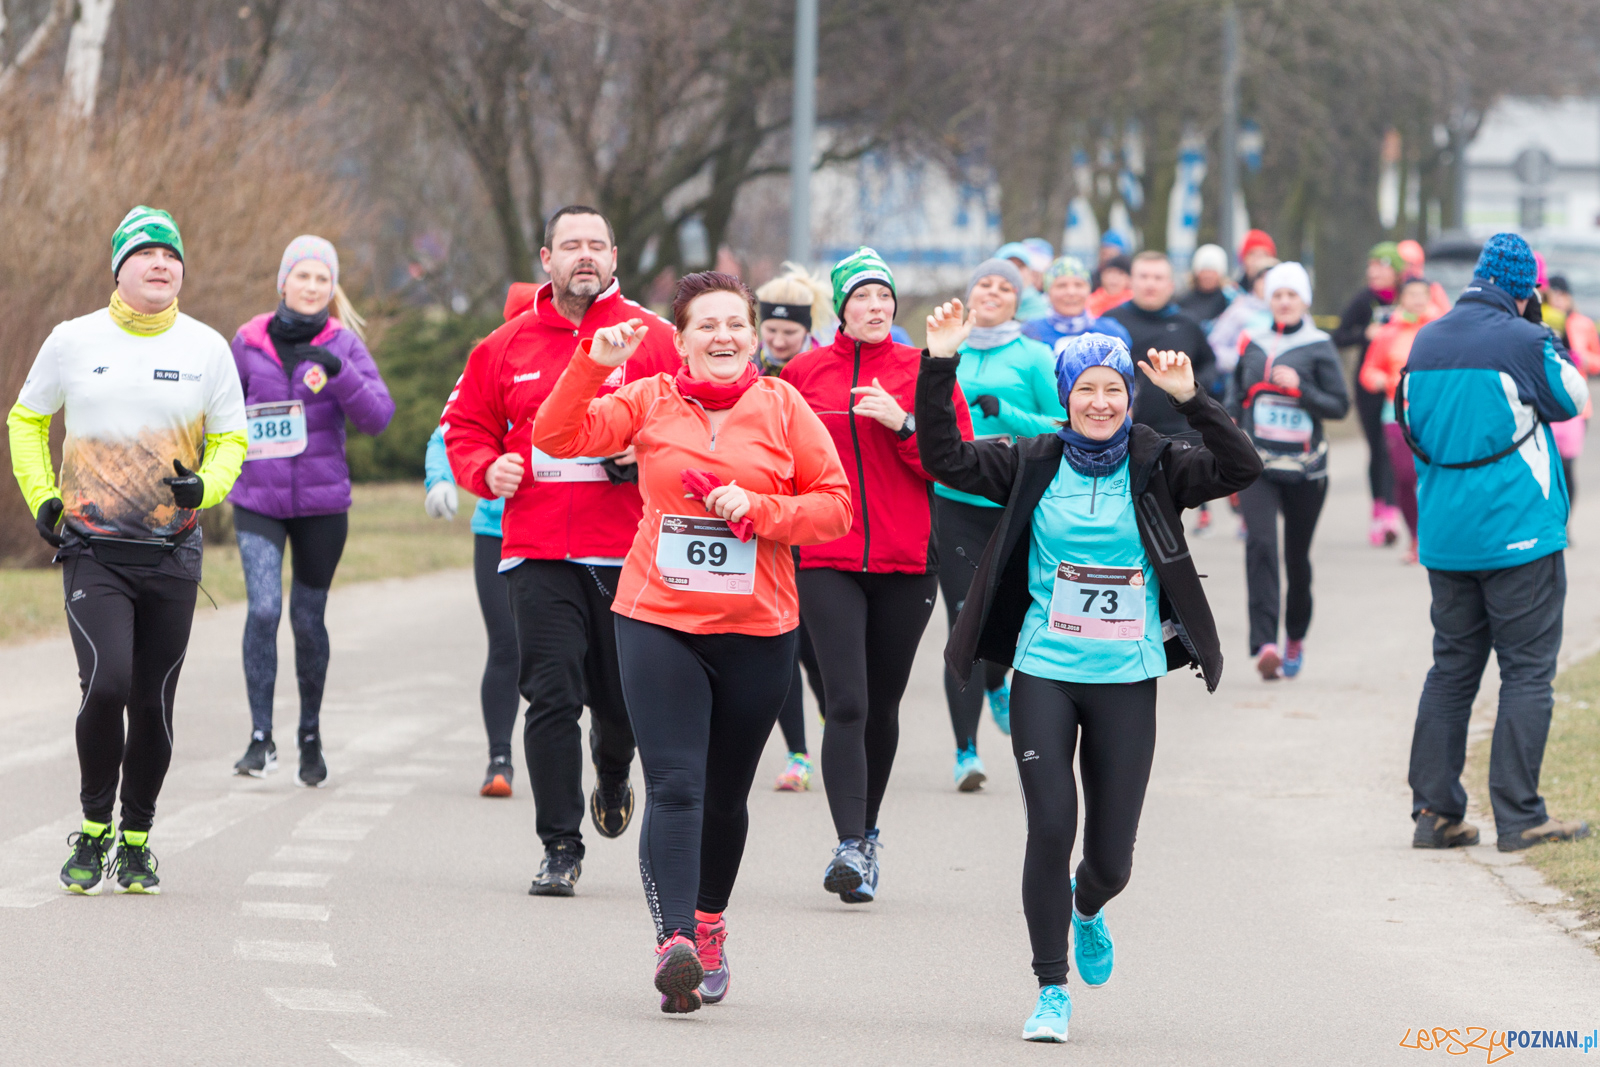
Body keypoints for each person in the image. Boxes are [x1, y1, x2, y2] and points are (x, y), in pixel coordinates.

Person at [916, 315, 1260, 1045]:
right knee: (1050, 826)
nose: (1099, 402)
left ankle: (1088, 908)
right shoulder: (1033, 458)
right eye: (1086, 390)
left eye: (1113, 389)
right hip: (1046, 667)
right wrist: (939, 363)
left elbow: (1241, 469)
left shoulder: (1159, 461)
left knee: (1110, 859)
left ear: (1130, 396)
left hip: (1127, 675)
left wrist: (1195, 399)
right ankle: (1050, 987)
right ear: (1066, 395)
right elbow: (943, 458)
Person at [531, 271, 852, 1014]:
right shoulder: (647, 399)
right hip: (657, 618)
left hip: (757, 628)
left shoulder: (782, 406)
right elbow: (557, 436)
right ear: (680, 341)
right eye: (706, 325)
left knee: (725, 796)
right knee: (677, 782)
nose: (724, 336)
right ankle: (673, 941)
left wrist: (763, 508)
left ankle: (709, 923)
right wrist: (589, 360)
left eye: (735, 324)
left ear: (753, 335)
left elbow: (835, 507)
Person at [7, 206, 247, 894]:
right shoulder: (72, 340)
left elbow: (232, 437)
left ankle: (136, 837)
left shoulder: (206, 348)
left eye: (171, 255)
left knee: (153, 700)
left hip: (172, 554)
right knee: (106, 683)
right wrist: (42, 497)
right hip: (93, 548)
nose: (160, 264)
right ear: (120, 266)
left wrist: (209, 484)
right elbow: (26, 421)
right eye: (145, 253)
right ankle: (92, 826)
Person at [443, 205, 680, 896]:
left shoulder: (655, 339)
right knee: (550, 694)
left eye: (596, 245)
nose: (585, 256)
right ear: (545, 258)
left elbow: (696, 421)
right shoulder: (505, 344)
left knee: (619, 701)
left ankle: (612, 770)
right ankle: (559, 843)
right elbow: (464, 426)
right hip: (538, 546)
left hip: (632, 549)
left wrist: (639, 460)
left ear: (615, 258)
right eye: (570, 245)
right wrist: (487, 470)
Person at [780, 247, 973, 903]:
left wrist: (905, 422)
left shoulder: (924, 370)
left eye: (883, 297)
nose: (874, 307)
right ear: (839, 307)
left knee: (882, 705)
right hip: (826, 556)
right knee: (847, 701)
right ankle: (848, 844)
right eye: (861, 296)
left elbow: (955, 461)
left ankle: (866, 834)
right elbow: (777, 458)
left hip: (905, 561)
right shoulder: (803, 373)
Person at [1403, 232, 1591, 854]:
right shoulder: (1525, 338)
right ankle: (1520, 816)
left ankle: (1434, 812)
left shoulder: (1426, 339)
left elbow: (1408, 421)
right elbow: (1573, 400)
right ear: (1525, 288)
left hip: (1446, 537)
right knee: (1528, 673)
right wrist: (1547, 335)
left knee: (1452, 670)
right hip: (1519, 534)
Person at [227, 236, 394, 787]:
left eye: (323, 280)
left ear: (332, 289)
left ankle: (310, 735)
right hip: (258, 500)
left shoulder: (342, 344)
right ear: (283, 282)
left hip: (323, 505)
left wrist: (338, 373)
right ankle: (259, 737)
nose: (312, 287)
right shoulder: (248, 342)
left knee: (306, 618)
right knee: (264, 610)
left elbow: (378, 417)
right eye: (303, 276)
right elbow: (219, 411)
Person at [936, 258, 1066, 790]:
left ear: (1019, 300)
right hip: (956, 499)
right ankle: (966, 753)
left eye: (1003, 287)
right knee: (964, 620)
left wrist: (1006, 414)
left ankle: (997, 683)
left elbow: (1063, 429)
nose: (992, 292)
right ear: (969, 296)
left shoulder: (1035, 356)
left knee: (1005, 618)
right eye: (982, 284)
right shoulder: (949, 350)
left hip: (1016, 501)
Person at [1228, 262, 1350, 680]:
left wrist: (1301, 388)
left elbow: (1339, 406)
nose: (1283, 301)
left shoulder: (1319, 345)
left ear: (1304, 301)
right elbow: (1235, 399)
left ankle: (1294, 635)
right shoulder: (1253, 343)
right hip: (1257, 465)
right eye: (1277, 294)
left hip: (1306, 470)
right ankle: (1265, 643)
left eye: (1291, 295)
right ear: (1268, 300)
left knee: (1296, 558)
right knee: (1260, 547)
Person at [752, 263, 834, 790]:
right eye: (772, 331)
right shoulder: (747, 370)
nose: (779, 341)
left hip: (812, 520)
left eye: (790, 332)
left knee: (815, 650)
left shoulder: (821, 372)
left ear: (808, 330)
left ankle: (841, 719)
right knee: (780, 640)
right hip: (761, 521)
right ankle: (798, 754)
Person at [424, 426, 518, 795]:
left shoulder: (598, 367)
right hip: (497, 529)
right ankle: (499, 759)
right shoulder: (494, 367)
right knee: (507, 645)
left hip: (572, 533)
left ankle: (607, 745)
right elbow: (447, 433)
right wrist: (440, 480)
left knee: (578, 650)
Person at [1359, 277, 1441, 561]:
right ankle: (1416, 537)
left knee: (1436, 477)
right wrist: (1381, 379)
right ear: (1402, 298)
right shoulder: (1387, 333)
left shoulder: (1440, 330)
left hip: (1435, 413)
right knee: (1405, 478)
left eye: (1423, 294)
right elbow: (1367, 372)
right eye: (1412, 294)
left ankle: (1434, 537)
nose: (1417, 299)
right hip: (1396, 413)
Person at [1333, 242, 1406, 549]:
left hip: (1400, 385)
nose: (1375, 272)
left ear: (1397, 272)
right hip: (1369, 385)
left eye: (1382, 266)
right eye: (1371, 267)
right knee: (1377, 449)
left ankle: (1392, 510)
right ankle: (1381, 511)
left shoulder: (1408, 298)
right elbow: (1337, 336)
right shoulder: (1364, 301)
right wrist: (1365, 334)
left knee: (1395, 449)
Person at [1103, 251, 1219, 438]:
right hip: (1124, 433)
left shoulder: (1188, 324)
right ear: (1130, 281)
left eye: (1158, 278)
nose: (1150, 284)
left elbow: (1210, 364)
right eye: (1144, 277)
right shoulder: (1110, 322)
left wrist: (1191, 388)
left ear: (1170, 285)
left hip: (1181, 432)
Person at [1542, 274, 1599, 513]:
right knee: (1547, 465)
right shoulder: (1540, 322)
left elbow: (1597, 361)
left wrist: (1583, 358)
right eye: (1553, 294)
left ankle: (1565, 520)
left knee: (1567, 465)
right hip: (1547, 399)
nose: (1559, 300)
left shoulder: (1582, 323)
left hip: (1577, 404)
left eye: (1562, 294)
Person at [1022, 256, 1131, 351]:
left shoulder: (1112, 333)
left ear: (1089, 290)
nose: (1071, 292)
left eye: (1078, 285)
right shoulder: (1029, 332)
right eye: (1062, 285)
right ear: (1048, 292)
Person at [1177, 243, 1235, 330]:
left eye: (1212, 271)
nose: (1208, 275)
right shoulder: (1184, 302)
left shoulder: (1229, 301)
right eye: (1204, 271)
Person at [997, 241, 1051, 321]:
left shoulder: (1045, 310)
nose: (1014, 271)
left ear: (1029, 271)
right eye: (1008, 265)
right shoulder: (986, 305)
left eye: (1020, 266)